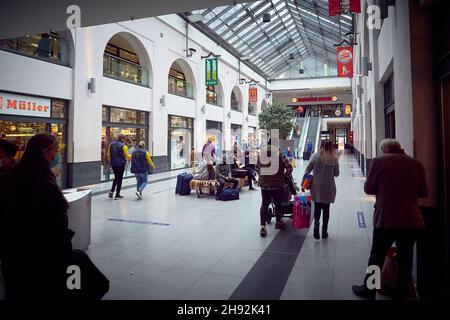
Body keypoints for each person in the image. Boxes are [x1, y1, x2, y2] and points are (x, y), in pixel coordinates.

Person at [352, 139, 428, 300]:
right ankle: (401, 294)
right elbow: (423, 192)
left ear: (384, 149)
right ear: (400, 148)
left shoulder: (379, 161)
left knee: (376, 256)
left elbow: (368, 188)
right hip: (411, 220)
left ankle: (369, 290)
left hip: (386, 219)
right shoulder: (416, 164)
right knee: (405, 260)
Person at [0, 134, 73, 299]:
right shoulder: (41, 181)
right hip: (38, 257)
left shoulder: (17, 173)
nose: (57, 154)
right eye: (56, 149)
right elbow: (52, 223)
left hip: (14, 254)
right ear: (45, 152)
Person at [302, 139, 340, 240]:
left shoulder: (315, 156)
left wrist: (303, 183)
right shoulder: (334, 158)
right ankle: (324, 232)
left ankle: (316, 228)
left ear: (321, 145)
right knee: (326, 210)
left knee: (317, 208)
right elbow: (336, 174)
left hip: (316, 187)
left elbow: (307, 170)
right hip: (328, 187)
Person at [257, 138, 293, 237]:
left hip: (264, 185)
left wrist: (263, 176)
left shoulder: (261, 154)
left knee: (264, 204)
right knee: (278, 203)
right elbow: (289, 167)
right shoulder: (281, 154)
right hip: (277, 184)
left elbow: (257, 167)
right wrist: (285, 176)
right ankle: (278, 221)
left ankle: (263, 226)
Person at [108, 134, 131, 199]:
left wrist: (111, 161)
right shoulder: (124, 146)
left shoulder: (111, 145)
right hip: (121, 164)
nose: (125, 140)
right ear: (122, 139)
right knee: (119, 179)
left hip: (113, 164)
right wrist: (133, 156)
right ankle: (117, 194)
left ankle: (112, 191)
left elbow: (108, 154)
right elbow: (127, 156)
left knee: (116, 177)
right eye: (124, 139)